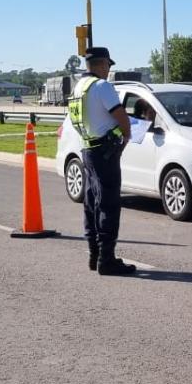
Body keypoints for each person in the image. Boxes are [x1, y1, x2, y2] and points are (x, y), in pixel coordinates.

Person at [68, 47, 135, 276]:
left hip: (88, 149)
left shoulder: (80, 87)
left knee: (91, 204)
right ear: (102, 64)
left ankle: (94, 255)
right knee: (108, 204)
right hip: (105, 152)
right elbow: (121, 117)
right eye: (108, 65)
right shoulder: (101, 86)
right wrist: (126, 137)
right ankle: (107, 260)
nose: (109, 70)